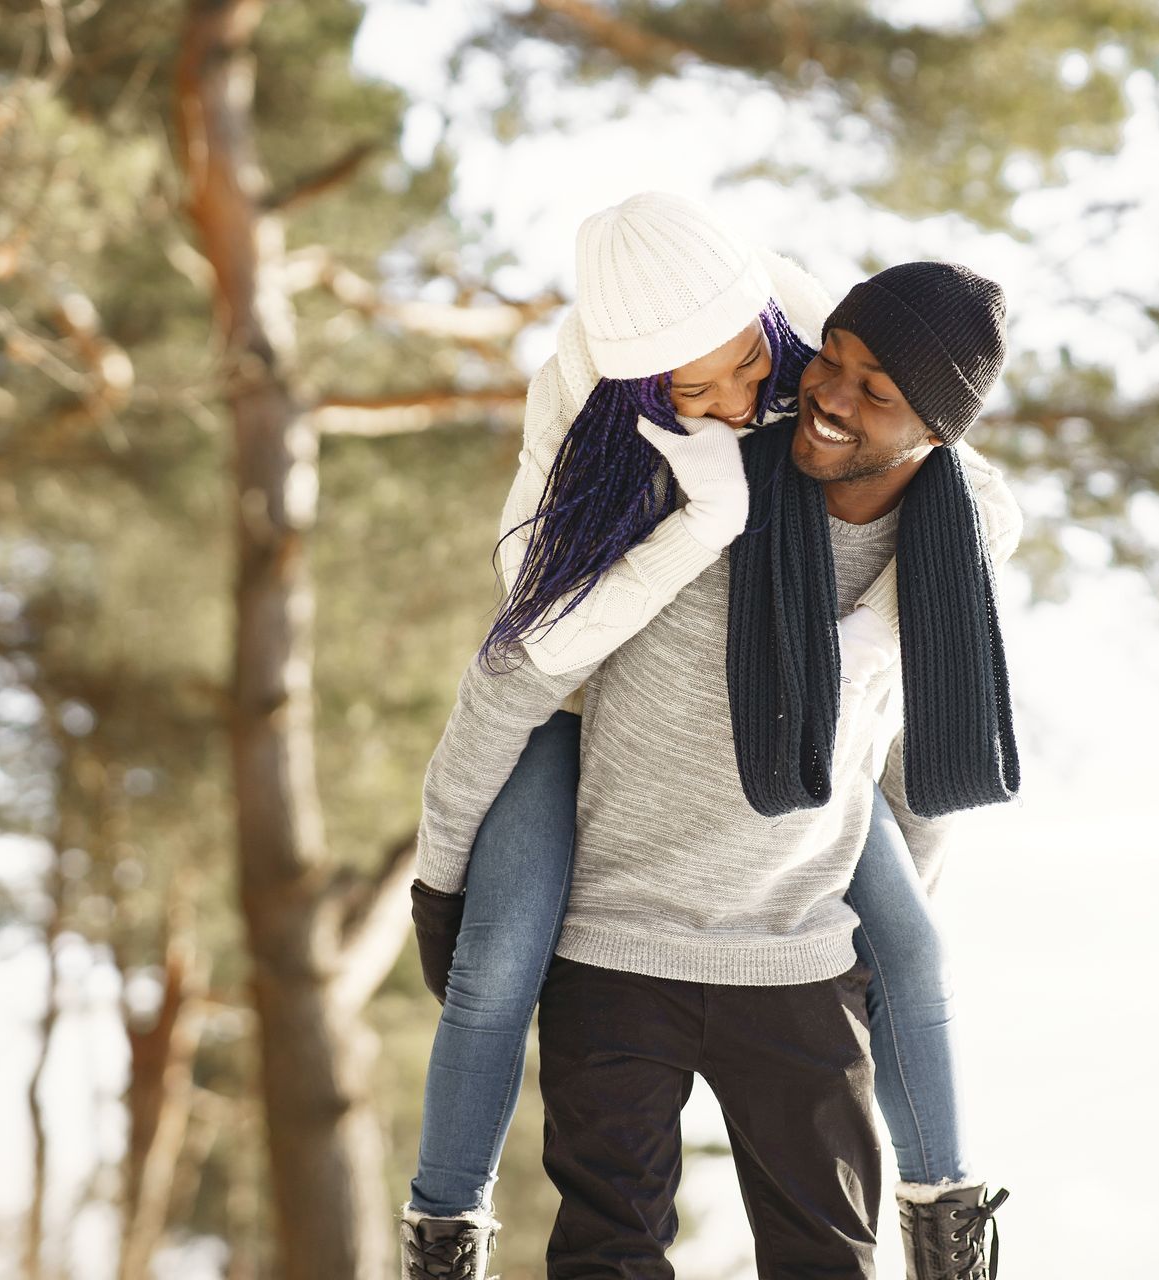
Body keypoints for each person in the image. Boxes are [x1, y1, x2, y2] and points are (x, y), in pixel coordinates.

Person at [398, 194, 1020, 1279]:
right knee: (497, 975)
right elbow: (524, 654)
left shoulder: (878, 439)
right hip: (600, 831)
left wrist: (867, 892)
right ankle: (443, 1233)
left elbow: (915, 734)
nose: (766, 400)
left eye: (754, 372)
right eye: (699, 388)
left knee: (912, 958)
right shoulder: (617, 440)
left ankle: (950, 1230)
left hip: (792, 924)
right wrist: (440, 882)